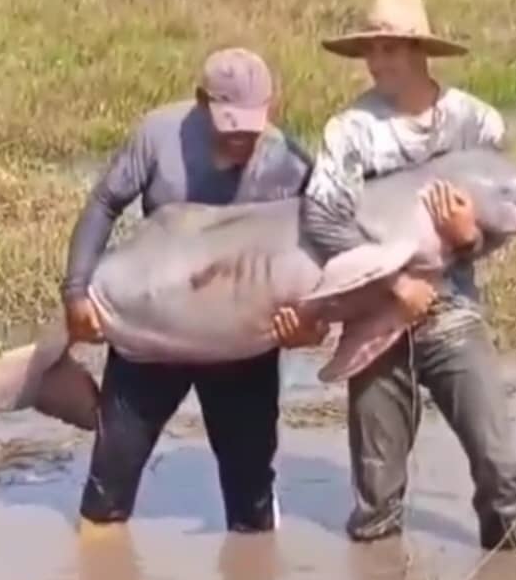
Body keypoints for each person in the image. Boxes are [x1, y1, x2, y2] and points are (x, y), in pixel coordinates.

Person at [289, 0, 516, 550]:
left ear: (421, 50)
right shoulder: (348, 130)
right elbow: (322, 222)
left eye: (389, 50)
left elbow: (499, 219)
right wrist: (394, 284)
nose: (377, 63)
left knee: (500, 470)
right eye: (370, 51)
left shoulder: (476, 125)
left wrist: (468, 239)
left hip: (452, 309)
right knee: (376, 492)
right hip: (376, 311)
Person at [61, 47, 328, 535]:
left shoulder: (291, 164)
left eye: (253, 126)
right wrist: (77, 291)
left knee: (251, 506)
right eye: (231, 126)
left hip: (241, 347)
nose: (244, 139)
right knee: (106, 493)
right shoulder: (159, 134)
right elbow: (104, 202)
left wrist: (311, 325)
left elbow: (325, 255)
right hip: (151, 341)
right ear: (201, 102)